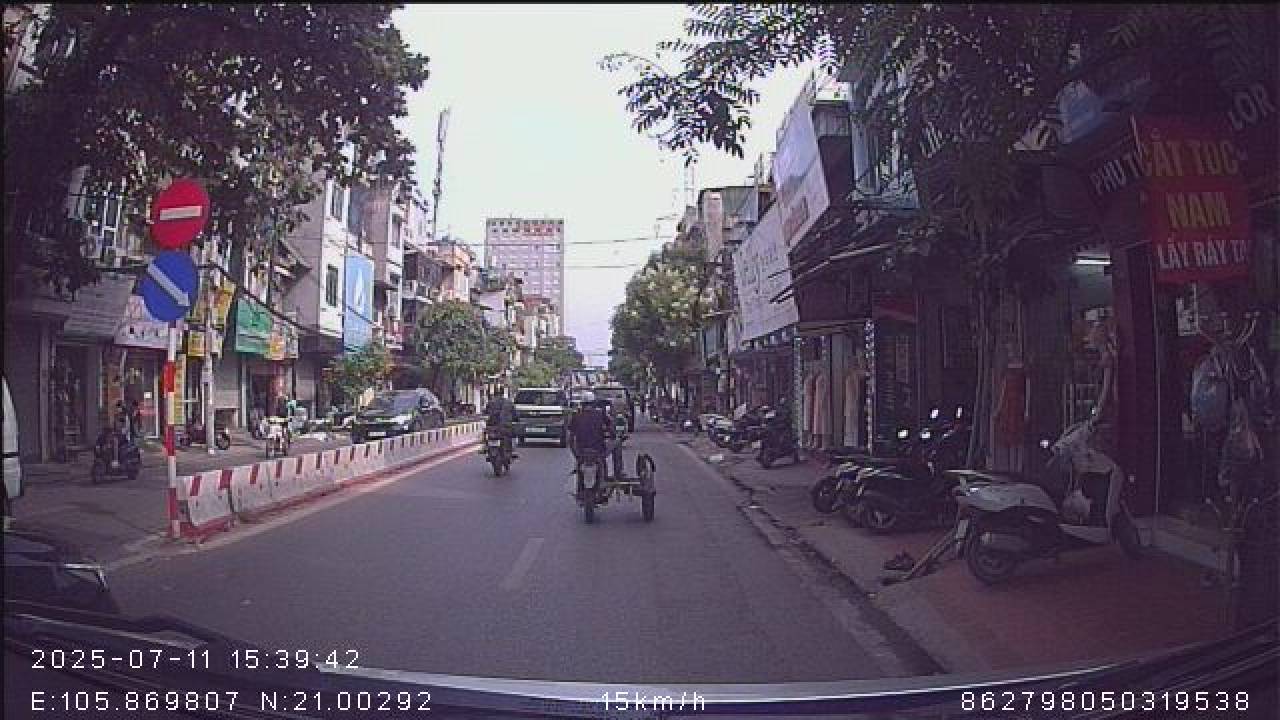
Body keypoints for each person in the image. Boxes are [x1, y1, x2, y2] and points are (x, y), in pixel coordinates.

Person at [568, 391, 615, 485]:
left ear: (582, 404)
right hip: (598, 450)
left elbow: (571, 438)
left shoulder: (576, 416)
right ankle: (618, 471)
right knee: (617, 443)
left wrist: (576, 455)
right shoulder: (600, 414)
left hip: (581, 451)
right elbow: (611, 428)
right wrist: (612, 435)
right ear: (594, 403)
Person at [483, 386, 518, 457]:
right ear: (503, 393)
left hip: (492, 427)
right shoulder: (509, 403)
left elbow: (486, 413)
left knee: (485, 433)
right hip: (505, 427)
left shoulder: (490, 402)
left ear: (495, 393)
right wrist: (515, 420)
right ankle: (512, 451)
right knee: (513, 435)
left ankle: (485, 447)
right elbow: (515, 415)